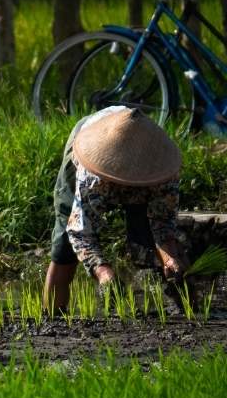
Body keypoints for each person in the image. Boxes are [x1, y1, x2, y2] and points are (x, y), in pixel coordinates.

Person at [42, 106, 189, 311]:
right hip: (96, 141)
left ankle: (186, 310)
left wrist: (170, 258)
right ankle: (51, 317)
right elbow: (80, 231)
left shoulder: (162, 173)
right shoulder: (92, 174)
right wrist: (102, 271)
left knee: (148, 239)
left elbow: (163, 223)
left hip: (140, 157)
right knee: (64, 247)